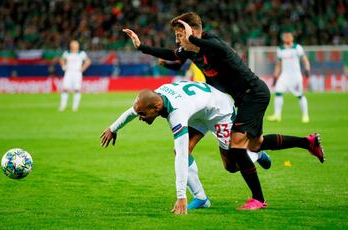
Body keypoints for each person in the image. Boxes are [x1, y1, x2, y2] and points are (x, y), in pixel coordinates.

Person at [122, 12, 325, 210]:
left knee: (237, 146)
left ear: (191, 31)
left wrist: (192, 37)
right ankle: (307, 142)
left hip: (253, 94)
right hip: (239, 99)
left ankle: (258, 199)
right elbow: (172, 55)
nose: (177, 40)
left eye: (179, 35)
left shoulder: (215, 45)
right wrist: (142, 48)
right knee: (255, 144)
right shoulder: (190, 51)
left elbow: (209, 45)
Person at [100, 81, 271, 214]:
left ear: (156, 108)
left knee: (232, 166)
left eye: (143, 114)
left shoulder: (177, 113)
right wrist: (112, 128)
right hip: (198, 112)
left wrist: (180, 196)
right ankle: (201, 198)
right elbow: (133, 111)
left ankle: (255, 154)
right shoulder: (155, 97)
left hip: (220, 112)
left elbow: (181, 157)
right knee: (182, 149)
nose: (140, 118)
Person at [267, 31, 311, 123]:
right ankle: (277, 115)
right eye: (285, 36)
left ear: (292, 38)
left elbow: (305, 60)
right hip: (285, 76)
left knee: (300, 95)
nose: (287, 38)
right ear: (283, 38)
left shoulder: (297, 47)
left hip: (296, 76)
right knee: (278, 92)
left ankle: (305, 116)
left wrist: (307, 69)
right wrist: (275, 77)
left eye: (288, 36)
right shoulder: (280, 49)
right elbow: (278, 64)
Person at [59, 40, 91, 112]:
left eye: (75, 45)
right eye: (73, 45)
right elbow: (61, 59)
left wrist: (83, 68)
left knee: (77, 89)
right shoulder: (67, 53)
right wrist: (64, 65)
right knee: (65, 89)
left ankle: (75, 108)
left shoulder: (81, 54)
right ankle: (62, 107)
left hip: (77, 73)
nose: (74, 46)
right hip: (68, 73)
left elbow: (88, 61)